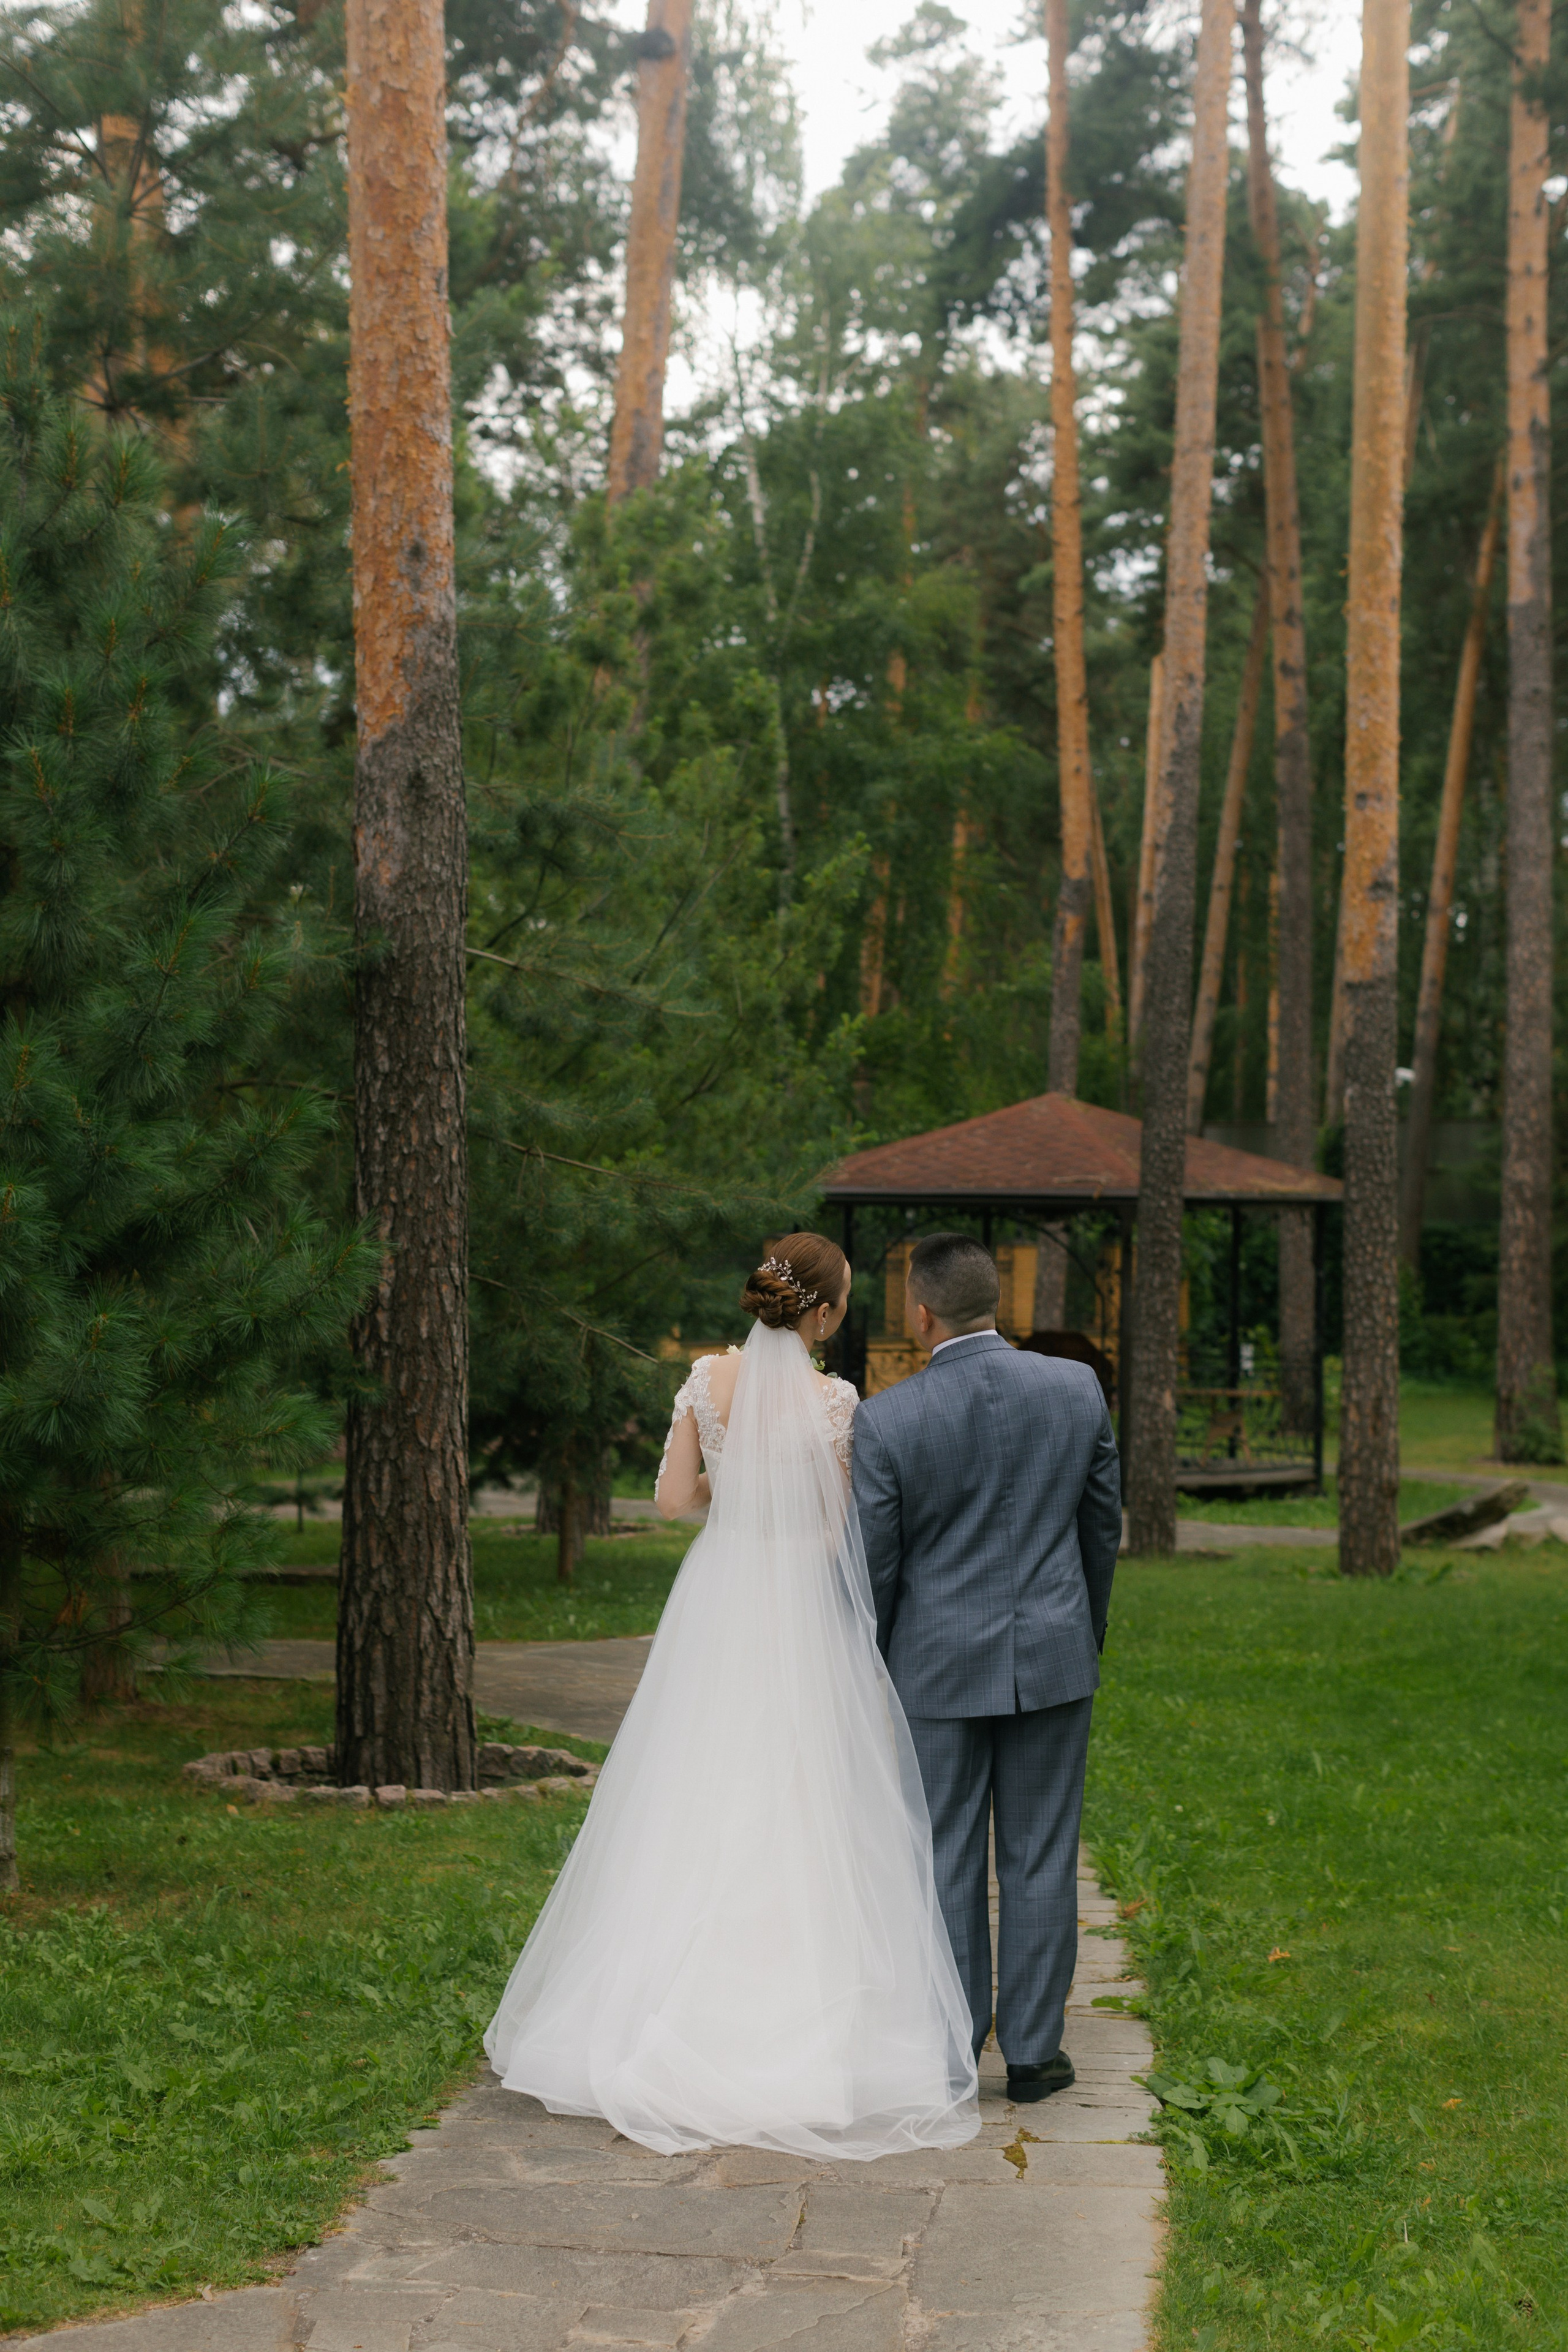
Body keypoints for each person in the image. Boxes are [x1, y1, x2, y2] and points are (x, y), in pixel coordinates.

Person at [484, 1232, 979, 2160]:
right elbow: (839, 1520)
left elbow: (672, 1501)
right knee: (803, 1791)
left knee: (694, 1780)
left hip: (719, 1592)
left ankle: (651, 2011)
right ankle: (802, 2026)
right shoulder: (836, 1400)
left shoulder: (707, 1377)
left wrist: (732, 1477)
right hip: (794, 1598)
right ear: (825, 1313)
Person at [851, 1232, 1121, 2103]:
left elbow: (876, 1565)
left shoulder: (888, 1417)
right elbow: (1100, 1527)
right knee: (1043, 1854)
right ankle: (1036, 2056)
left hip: (933, 1669)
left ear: (920, 1315)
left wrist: (881, 1665)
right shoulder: (1076, 1388)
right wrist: (1086, 1630)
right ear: (995, 1304)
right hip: (1053, 1655)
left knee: (947, 1855)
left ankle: (953, 2045)